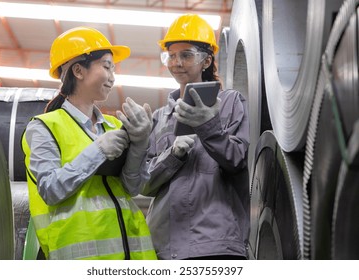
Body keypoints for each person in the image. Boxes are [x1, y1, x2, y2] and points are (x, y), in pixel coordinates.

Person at [21, 26, 157, 260]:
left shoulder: (114, 126)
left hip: (133, 257)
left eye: (114, 69)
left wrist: (141, 142)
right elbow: (50, 190)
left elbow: (132, 188)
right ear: (78, 71)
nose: (113, 77)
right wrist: (98, 150)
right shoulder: (44, 127)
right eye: (106, 66)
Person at [141, 14, 250, 260]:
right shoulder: (160, 117)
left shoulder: (230, 103)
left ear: (206, 60)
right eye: (171, 55)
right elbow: (144, 184)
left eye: (186, 55)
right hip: (164, 247)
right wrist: (173, 155)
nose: (176, 62)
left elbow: (237, 160)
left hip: (215, 244)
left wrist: (208, 126)